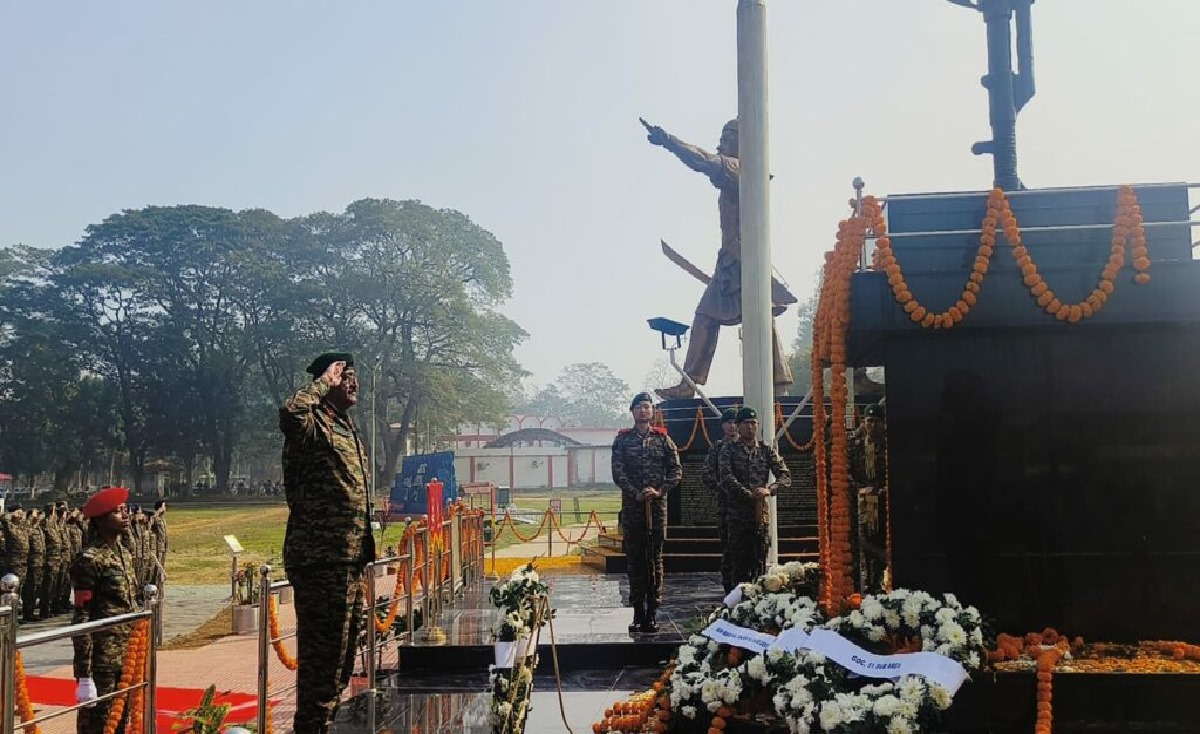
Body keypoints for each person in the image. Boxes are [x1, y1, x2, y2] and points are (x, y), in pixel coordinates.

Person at [642, 118, 795, 399]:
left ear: (742, 143)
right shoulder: (746, 173)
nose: (721, 144)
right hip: (733, 258)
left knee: (712, 316)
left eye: (727, 139)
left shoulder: (738, 169)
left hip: (740, 260)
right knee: (750, 316)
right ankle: (778, 379)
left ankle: (692, 382)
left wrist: (668, 141)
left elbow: (702, 160)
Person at [280, 352, 375, 734]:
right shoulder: (311, 423)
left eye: (353, 377)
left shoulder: (345, 425)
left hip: (348, 560)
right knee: (322, 664)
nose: (352, 383)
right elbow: (290, 413)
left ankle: (324, 724)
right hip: (321, 560)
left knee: (341, 659)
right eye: (345, 376)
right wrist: (323, 382)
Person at [611, 392, 682, 634]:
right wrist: (635, 493)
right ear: (632, 412)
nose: (643, 411)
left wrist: (659, 490)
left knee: (655, 560)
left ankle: (652, 611)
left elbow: (676, 471)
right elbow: (618, 472)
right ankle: (637, 612)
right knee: (635, 562)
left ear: (652, 412)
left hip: (657, 509)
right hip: (633, 509)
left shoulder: (663, 440)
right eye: (639, 407)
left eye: (647, 407)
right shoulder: (622, 441)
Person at [71, 486, 138, 734]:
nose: (126, 515)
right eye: (118, 511)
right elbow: (82, 618)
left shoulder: (123, 554)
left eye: (125, 509)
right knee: (98, 724)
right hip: (101, 660)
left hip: (127, 653)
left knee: (121, 720)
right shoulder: (89, 560)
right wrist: (84, 674)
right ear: (100, 519)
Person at [719, 407, 791, 585]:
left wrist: (770, 489)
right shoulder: (729, 450)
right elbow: (726, 477)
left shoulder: (766, 450)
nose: (750, 427)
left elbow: (785, 476)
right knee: (739, 563)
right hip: (737, 516)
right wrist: (750, 495)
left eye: (754, 423)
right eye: (746, 423)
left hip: (760, 516)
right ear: (738, 426)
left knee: (759, 561)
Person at [849, 403, 889, 592]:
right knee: (865, 540)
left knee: (883, 539)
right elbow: (846, 473)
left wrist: (884, 490)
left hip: (886, 502)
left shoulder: (890, 445)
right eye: (869, 421)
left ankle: (881, 581)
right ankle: (869, 584)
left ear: (883, 423)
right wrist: (861, 489)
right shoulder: (856, 446)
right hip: (863, 504)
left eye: (876, 421)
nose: (872, 425)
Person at [701, 408, 739, 593]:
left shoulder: (747, 446)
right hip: (726, 507)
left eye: (735, 422)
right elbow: (706, 474)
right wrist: (722, 488)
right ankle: (728, 589)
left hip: (747, 507)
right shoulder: (717, 448)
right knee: (728, 549)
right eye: (728, 422)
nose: (732, 426)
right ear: (723, 425)